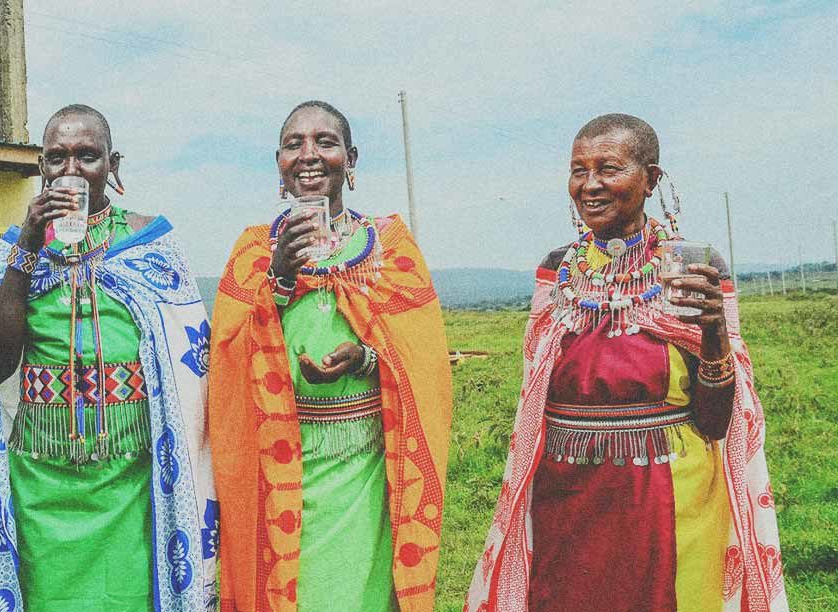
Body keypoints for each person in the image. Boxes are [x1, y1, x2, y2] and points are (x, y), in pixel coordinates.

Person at [464, 114, 788, 612]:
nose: (589, 185)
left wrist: (715, 334)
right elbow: (537, 399)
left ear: (651, 179)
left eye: (608, 169)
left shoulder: (695, 265)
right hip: (564, 495)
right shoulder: (558, 269)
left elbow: (716, 420)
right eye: (578, 170)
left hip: (670, 497)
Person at [0, 104, 218, 612]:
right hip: (41, 477)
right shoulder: (17, 247)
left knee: (130, 597)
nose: (72, 171)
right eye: (58, 158)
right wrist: (28, 248)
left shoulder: (151, 243)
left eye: (87, 156)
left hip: (130, 477)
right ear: (42, 167)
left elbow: (192, 359)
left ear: (113, 164)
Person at [209, 101, 453, 612]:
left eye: (325, 142)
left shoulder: (389, 246)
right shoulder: (254, 250)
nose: (309, 155)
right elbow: (228, 364)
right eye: (294, 144)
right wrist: (277, 277)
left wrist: (364, 360)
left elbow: (421, 359)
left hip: (366, 466)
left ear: (351, 157)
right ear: (278, 161)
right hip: (278, 462)